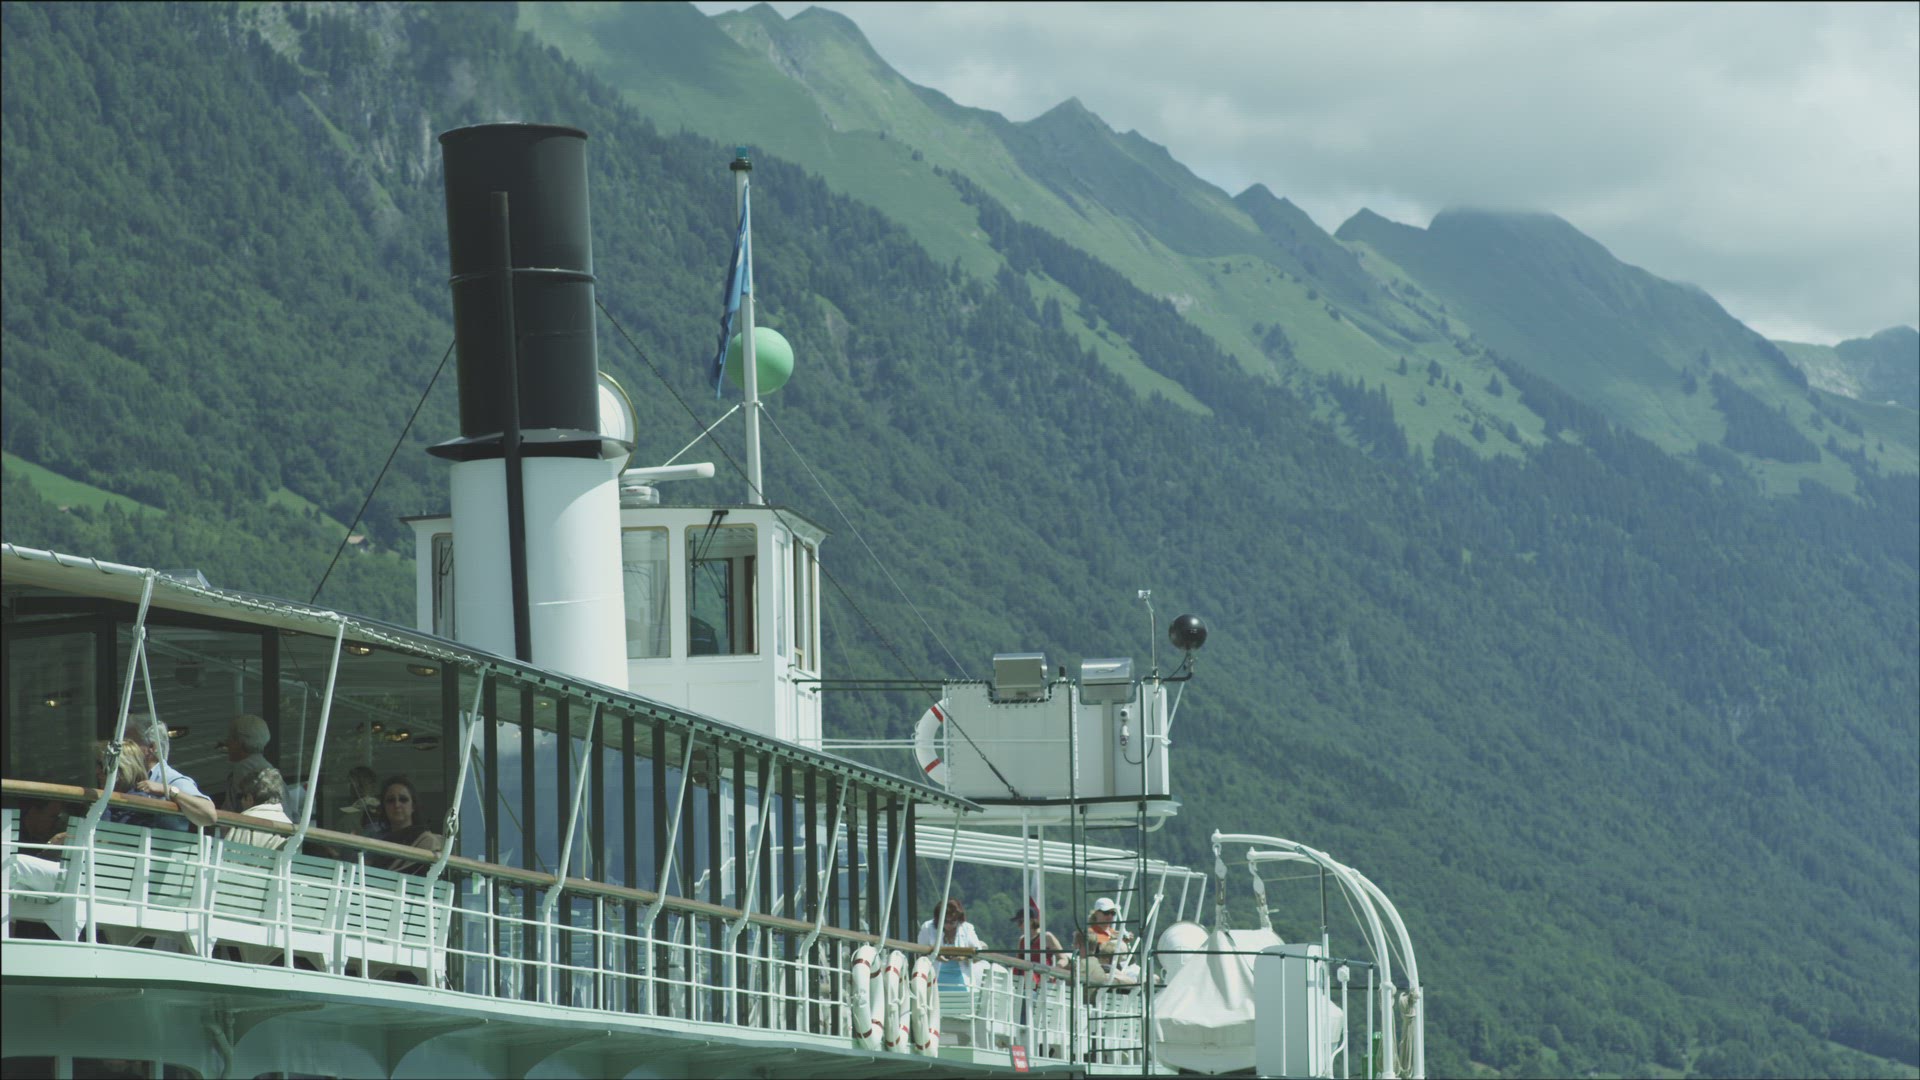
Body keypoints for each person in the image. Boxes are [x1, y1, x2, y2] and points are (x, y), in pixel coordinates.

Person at [125, 713, 218, 829]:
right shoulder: (127, 776)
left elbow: (209, 814)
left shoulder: (170, 778)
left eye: (130, 743)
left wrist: (168, 790)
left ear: (152, 747)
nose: (124, 748)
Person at [372, 776, 442, 872]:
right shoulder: (378, 845)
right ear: (384, 807)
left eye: (403, 799)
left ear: (413, 806)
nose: (397, 805)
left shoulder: (426, 840)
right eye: (391, 800)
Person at [918, 898, 986, 990]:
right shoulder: (927, 927)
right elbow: (921, 953)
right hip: (934, 983)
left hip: (963, 985)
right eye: (945, 921)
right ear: (938, 919)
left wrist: (964, 957)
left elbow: (978, 954)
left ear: (959, 919)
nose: (948, 925)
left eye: (952, 921)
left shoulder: (967, 928)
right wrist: (935, 956)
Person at [224, 766, 293, 851]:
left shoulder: (246, 820)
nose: (240, 801)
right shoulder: (289, 824)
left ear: (249, 798)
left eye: (240, 796)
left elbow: (229, 854)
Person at [219, 714, 274, 811]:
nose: (227, 743)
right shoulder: (269, 768)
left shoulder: (243, 769)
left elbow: (229, 812)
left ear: (239, 743)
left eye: (230, 739)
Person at [1009, 898, 1066, 985]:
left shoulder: (1046, 937)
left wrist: (1053, 972)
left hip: (1043, 981)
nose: (1018, 926)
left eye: (1020, 922)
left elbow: (1063, 958)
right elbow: (1018, 962)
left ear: (1031, 921)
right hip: (1025, 982)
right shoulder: (1022, 940)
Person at [337, 765, 388, 840]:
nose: (356, 787)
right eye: (353, 784)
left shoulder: (385, 810)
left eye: (362, 783)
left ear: (373, 786)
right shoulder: (345, 820)